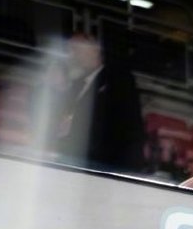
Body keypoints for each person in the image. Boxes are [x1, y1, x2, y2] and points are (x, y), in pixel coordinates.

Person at [56, 29, 146, 174]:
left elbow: (127, 124)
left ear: (95, 48)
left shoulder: (118, 79)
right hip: (75, 161)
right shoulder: (76, 85)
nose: (73, 54)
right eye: (71, 50)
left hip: (106, 164)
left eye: (77, 48)